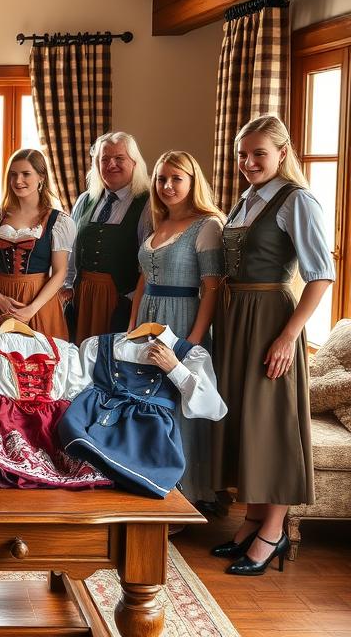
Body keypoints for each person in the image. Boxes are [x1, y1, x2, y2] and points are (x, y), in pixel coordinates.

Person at [211, 115, 334, 576]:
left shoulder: (297, 199)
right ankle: (253, 519)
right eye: (242, 154)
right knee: (247, 421)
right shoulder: (246, 199)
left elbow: (321, 276)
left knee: (272, 424)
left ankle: (273, 531)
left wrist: (288, 336)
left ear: (282, 153)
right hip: (236, 318)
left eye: (258, 154)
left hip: (269, 321)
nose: (248, 162)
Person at [128, 150, 225, 506]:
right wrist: (132, 326)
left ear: (192, 181)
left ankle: (184, 495)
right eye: (161, 178)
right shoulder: (159, 222)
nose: (167, 185)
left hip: (182, 321)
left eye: (176, 178)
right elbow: (143, 280)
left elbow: (212, 287)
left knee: (177, 403)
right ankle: (151, 483)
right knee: (148, 400)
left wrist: (191, 342)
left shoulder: (207, 225)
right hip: (147, 321)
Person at [62, 131, 153, 342]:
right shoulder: (85, 200)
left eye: (119, 158)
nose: (111, 164)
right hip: (83, 298)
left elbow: (148, 262)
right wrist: (67, 286)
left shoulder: (147, 204)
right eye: (104, 159)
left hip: (121, 301)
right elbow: (70, 250)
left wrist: (133, 303)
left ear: (134, 163)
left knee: (110, 355)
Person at [0, 149, 73, 339]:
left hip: (38, 302)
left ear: (41, 177)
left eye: (26, 174)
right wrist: (0, 301)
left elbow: (60, 272)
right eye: (13, 174)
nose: (18, 181)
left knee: (38, 355)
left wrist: (31, 309)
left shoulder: (59, 221)